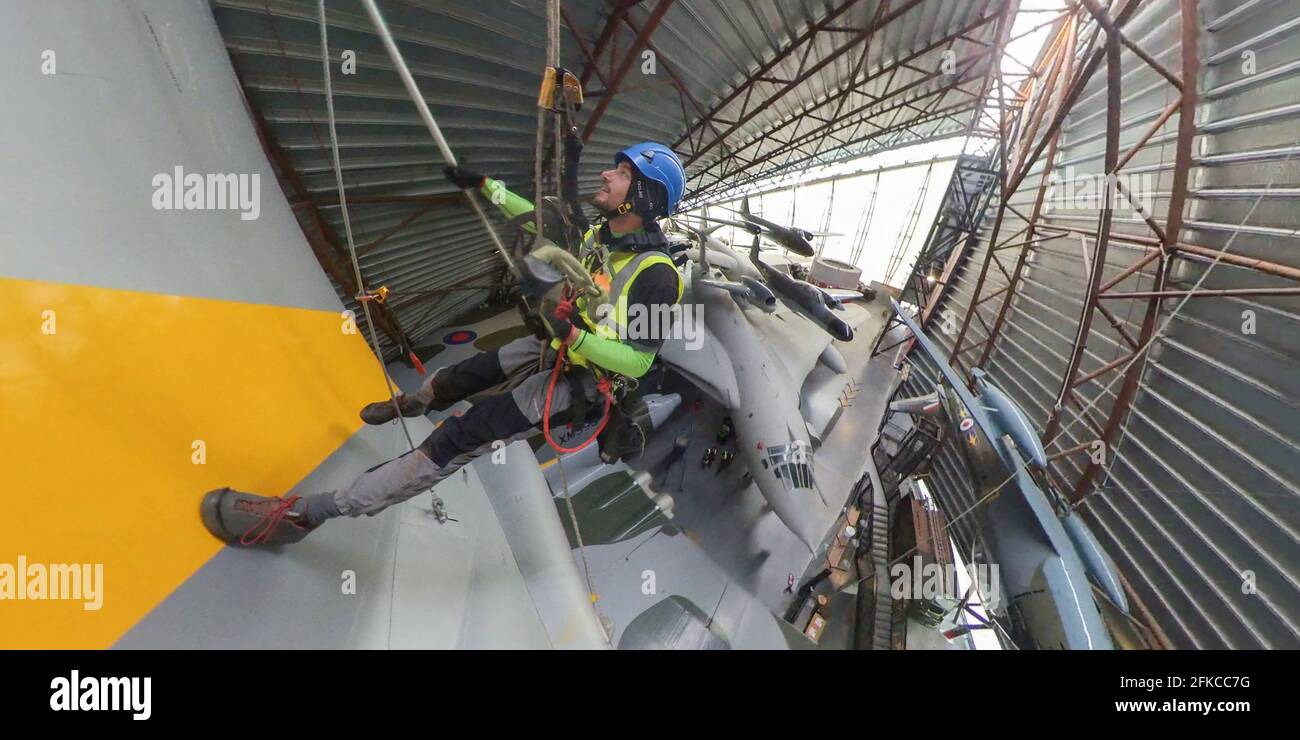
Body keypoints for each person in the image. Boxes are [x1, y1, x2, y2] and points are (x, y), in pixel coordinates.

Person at [201, 141, 687, 546]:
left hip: (580, 381)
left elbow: (639, 361)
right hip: (560, 348)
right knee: (464, 375)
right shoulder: (601, 235)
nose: (606, 175)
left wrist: (572, 333)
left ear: (641, 198)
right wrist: (485, 186)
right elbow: (540, 221)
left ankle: (308, 515)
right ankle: (410, 403)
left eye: (622, 173)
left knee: (459, 437)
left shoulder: (658, 278)